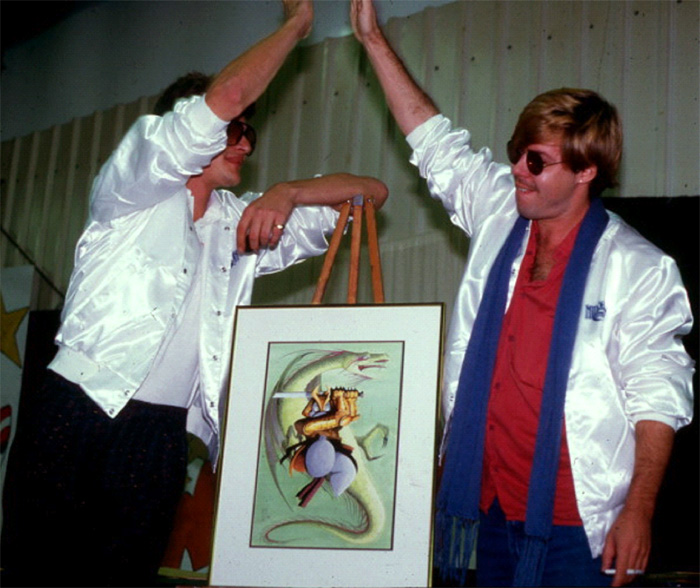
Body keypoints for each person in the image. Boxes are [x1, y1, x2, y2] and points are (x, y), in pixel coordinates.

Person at [0, 2, 387, 586]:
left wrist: (288, 191)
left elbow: (370, 195)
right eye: (234, 130)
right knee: (37, 571)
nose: (245, 144)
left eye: (250, 133)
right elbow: (226, 95)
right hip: (78, 408)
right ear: (188, 128)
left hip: (160, 436)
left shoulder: (240, 223)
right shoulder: (130, 189)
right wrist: (296, 25)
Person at [349, 1, 694, 587]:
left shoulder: (638, 268)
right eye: (516, 151)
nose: (517, 169)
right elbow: (434, 142)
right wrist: (374, 42)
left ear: (586, 171)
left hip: (576, 525)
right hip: (486, 508)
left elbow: (657, 398)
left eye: (537, 160)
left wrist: (638, 511)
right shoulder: (499, 215)